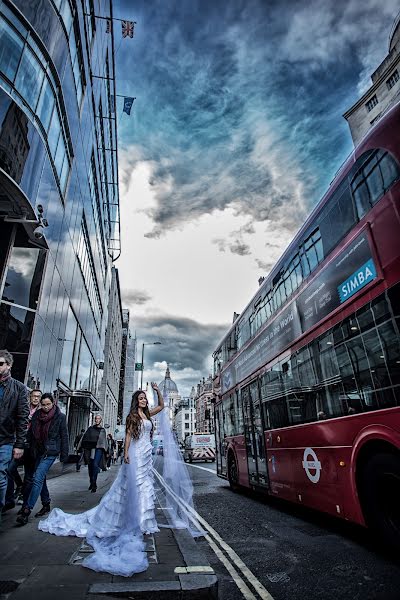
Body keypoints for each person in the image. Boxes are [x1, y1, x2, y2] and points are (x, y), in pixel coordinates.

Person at [38, 382, 165, 576]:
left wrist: (157, 391)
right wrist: (126, 453)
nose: (144, 400)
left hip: (147, 453)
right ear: (135, 401)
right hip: (137, 452)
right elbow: (129, 435)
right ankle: (132, 519)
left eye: (144, 398)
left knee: (144, 485)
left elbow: (162, 406)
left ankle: (144, 521)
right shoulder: (132, 416)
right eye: (141, 398)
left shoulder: (148, 414)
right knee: (132, 486)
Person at [16, 393, 69, 525]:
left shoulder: (60, 417)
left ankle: (27, 510)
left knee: (37, 477)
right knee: (41, 478)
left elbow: (64, 436)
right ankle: (46, 503)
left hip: (50, 452)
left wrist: (64, 455)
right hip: (37, 451)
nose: (45, 407)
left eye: (48, 404)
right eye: (43, 404)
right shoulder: (36, 416)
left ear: (53, 403)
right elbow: (30, 434)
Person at [0, 349, 29, 520]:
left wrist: (19, 444)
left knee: (1, 476)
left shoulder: (19, 388)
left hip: (5, 440)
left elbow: (22, 418)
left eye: (1, 363)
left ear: (9, 366)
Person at [3, 389, 42, 513]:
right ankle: (10, 499)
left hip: (32, 449)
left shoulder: (41, 413)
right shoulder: (23, 409)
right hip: (20, 445)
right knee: (9, 469)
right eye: (34, 396)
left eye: (38, 397)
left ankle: (25, 504)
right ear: (30, 397)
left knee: (29, 477)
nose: (36, 398)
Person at [80, 415, 107, 492]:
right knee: (90, 465)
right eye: (96, 418)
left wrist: (105, 451)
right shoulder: (90, 429)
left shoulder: (102, 430)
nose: (97, 420)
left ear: (101, 420)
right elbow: (84, 438)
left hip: (98, 449)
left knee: (95, 465)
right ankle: (91, 482)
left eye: (99, 418)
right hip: (89, 448)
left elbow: (103, 441)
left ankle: (94, 483)